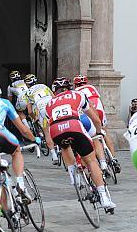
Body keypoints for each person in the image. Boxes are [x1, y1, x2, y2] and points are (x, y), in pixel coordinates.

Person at [45, 77, 116, 210]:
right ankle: (104, 198)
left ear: (55, 92)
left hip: (55, 130)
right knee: (91, 160)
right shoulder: (78, 94)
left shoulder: (49, 103)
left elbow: (51, 123)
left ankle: (73, 174)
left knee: (64, 145)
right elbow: (95, 118)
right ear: (69, 88)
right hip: (75, 125)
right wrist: (99, 132)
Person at [73, 75, 121, 172]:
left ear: (75, 84)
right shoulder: (92, 87)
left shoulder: (76, 92)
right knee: (104, 132)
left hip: (89, 111)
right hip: (99, 108)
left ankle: (95, 161)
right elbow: (101, 102)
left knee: (94, 138)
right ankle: (113, 158)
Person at [24, 73, 58, 165]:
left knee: (46, 132)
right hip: (51, 103)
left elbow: (30, 111)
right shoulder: (44, 86)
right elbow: (54, 97)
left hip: (41, 106)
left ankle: (53, 154)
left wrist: (35, 119)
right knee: (58, 124)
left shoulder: (28, 93)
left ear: (27, 84)